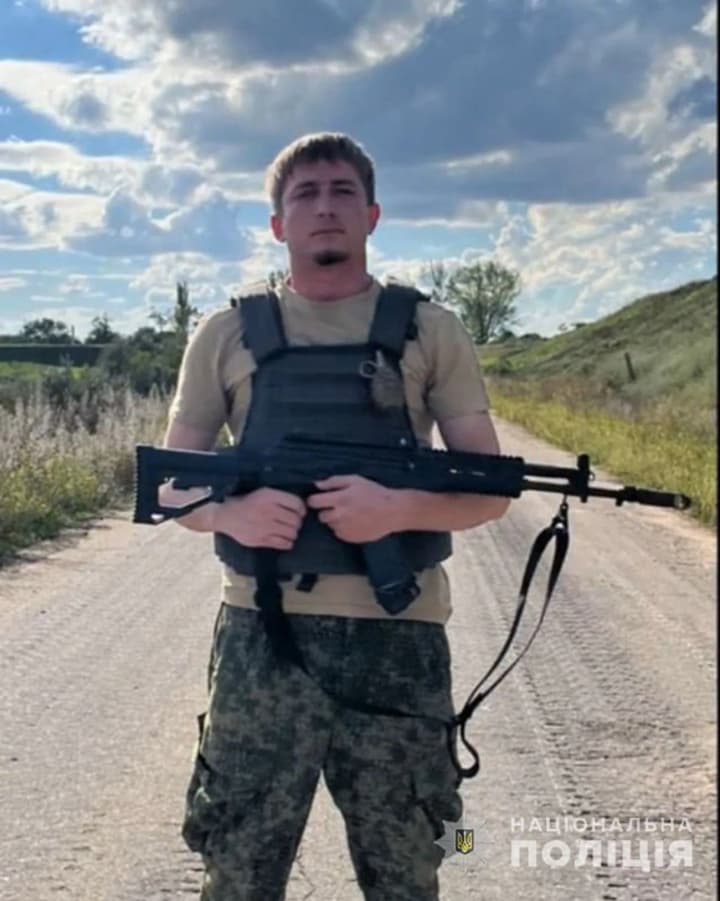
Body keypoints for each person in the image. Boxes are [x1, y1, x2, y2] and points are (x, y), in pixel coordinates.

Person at [160, 132, 511, 901]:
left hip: (399, 641)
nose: (325, 207)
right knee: (238, 866)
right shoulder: (225, 334)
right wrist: (232, 515)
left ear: (372, 214)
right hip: (263, 637)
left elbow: (491, 488)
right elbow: (168, 485)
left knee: (411, 865)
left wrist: (397, 508)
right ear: (278, 223)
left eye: (343, 191)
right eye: (306, 194)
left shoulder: (431, 330)